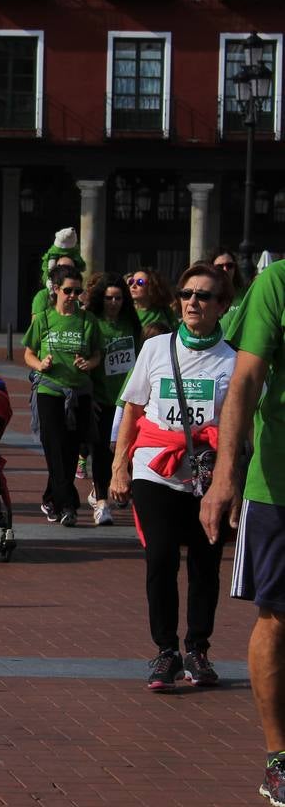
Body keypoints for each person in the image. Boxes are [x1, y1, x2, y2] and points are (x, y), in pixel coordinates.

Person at [108, 263, 236, 691]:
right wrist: (120, 467)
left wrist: (232, 483)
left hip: (207, 476)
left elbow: (241, 429)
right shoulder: (157, 348)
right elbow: (132, 408)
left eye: (203, 296)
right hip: (154, 469)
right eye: (186, 295)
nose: (193, 302)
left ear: (223, 305)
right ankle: (165, 651)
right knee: (160, 558)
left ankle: (197, 650)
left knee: (204, 565)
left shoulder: (233, 361)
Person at [201, 258, 285, 807]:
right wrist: (225, 473)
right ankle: (280, 758)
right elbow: (246, 378)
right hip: (279, 487)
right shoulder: (278, 282)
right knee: (277, 615)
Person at [24, 264, 102, 527]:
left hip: (79, 393)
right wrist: (40, 364)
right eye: (68, 290)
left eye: (77, 291)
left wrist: (88, 364)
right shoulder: (44, 319)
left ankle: (51, 498)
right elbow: (28, 353)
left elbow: (97, 355)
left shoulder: (87, 320)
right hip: (49, 390)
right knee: (53, 447)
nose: (73, 295)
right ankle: (69, 505)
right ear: (55, 290)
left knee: (70, 451)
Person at [86, 272, 142, 526]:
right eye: (109, 298)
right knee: (100, 452)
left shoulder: (131, 323)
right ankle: (101, 502)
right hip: (101, 397)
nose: (113, 303)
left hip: (128, 399)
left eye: (118, 298)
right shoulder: (93, 322)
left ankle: (114, 485)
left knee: (127, 449)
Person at [129, 268, 178, 332]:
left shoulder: (165, 311)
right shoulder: (127, 312)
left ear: (151, 287)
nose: (133, 286)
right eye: (131, 281)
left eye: (139, 282)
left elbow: (176, 333)